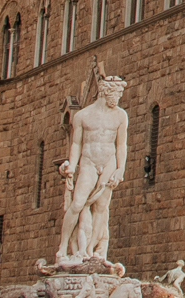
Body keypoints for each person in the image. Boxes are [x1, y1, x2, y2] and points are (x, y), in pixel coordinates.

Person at [55, 75, 129, 267]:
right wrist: (71, 165)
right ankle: (62, 248)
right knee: (78, 203)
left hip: (109, 162)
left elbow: (121, 145)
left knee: (102, 208)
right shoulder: (83, 116)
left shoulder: (120, 116)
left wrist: (120, 169)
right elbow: (76, 144)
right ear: (105, 91)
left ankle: (92, 251)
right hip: (88, 162)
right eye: (116, 93)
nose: (118, 98)